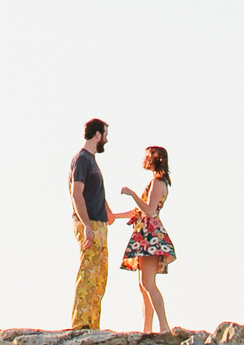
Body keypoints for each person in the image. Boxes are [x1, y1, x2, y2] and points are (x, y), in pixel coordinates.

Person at [112, 145, 177, 334]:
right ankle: (147, 328)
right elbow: (141, 212)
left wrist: (132, 194)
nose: (144, 159)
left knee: (148, 283)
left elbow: (149, 210)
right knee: (144, 285)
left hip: (150, 237)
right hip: (146, 235)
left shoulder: (157, 182)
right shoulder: (157, 182)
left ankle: (163, 326)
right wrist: (115, 216)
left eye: (147, 156)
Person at [67, 117, 113, 328]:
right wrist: (86, 226)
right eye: (105, 135)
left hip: (99, 223)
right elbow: (76, 193)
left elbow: (95, 194)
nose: (106, 139)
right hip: (90, 223)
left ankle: (92, 325)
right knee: (88, 273)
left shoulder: (92, 160)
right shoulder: (83, 159)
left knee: (99, 276)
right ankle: (80, 324)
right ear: (97, 135)